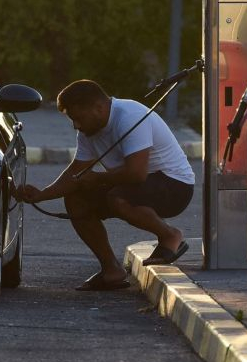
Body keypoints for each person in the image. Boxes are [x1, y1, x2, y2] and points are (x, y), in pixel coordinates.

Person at [18, 79, 195, 291]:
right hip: (134, 186)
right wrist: (41, 194)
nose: (76, 125)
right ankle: (111, 269)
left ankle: (169, 235)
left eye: (78, 118)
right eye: (72, 120)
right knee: (77, 199)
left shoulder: (129, 116)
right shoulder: (88, 131)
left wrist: (98, 179)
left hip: (174, 185)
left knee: (117, 197)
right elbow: (77, 172)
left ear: (99, 107)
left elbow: (136, 173)